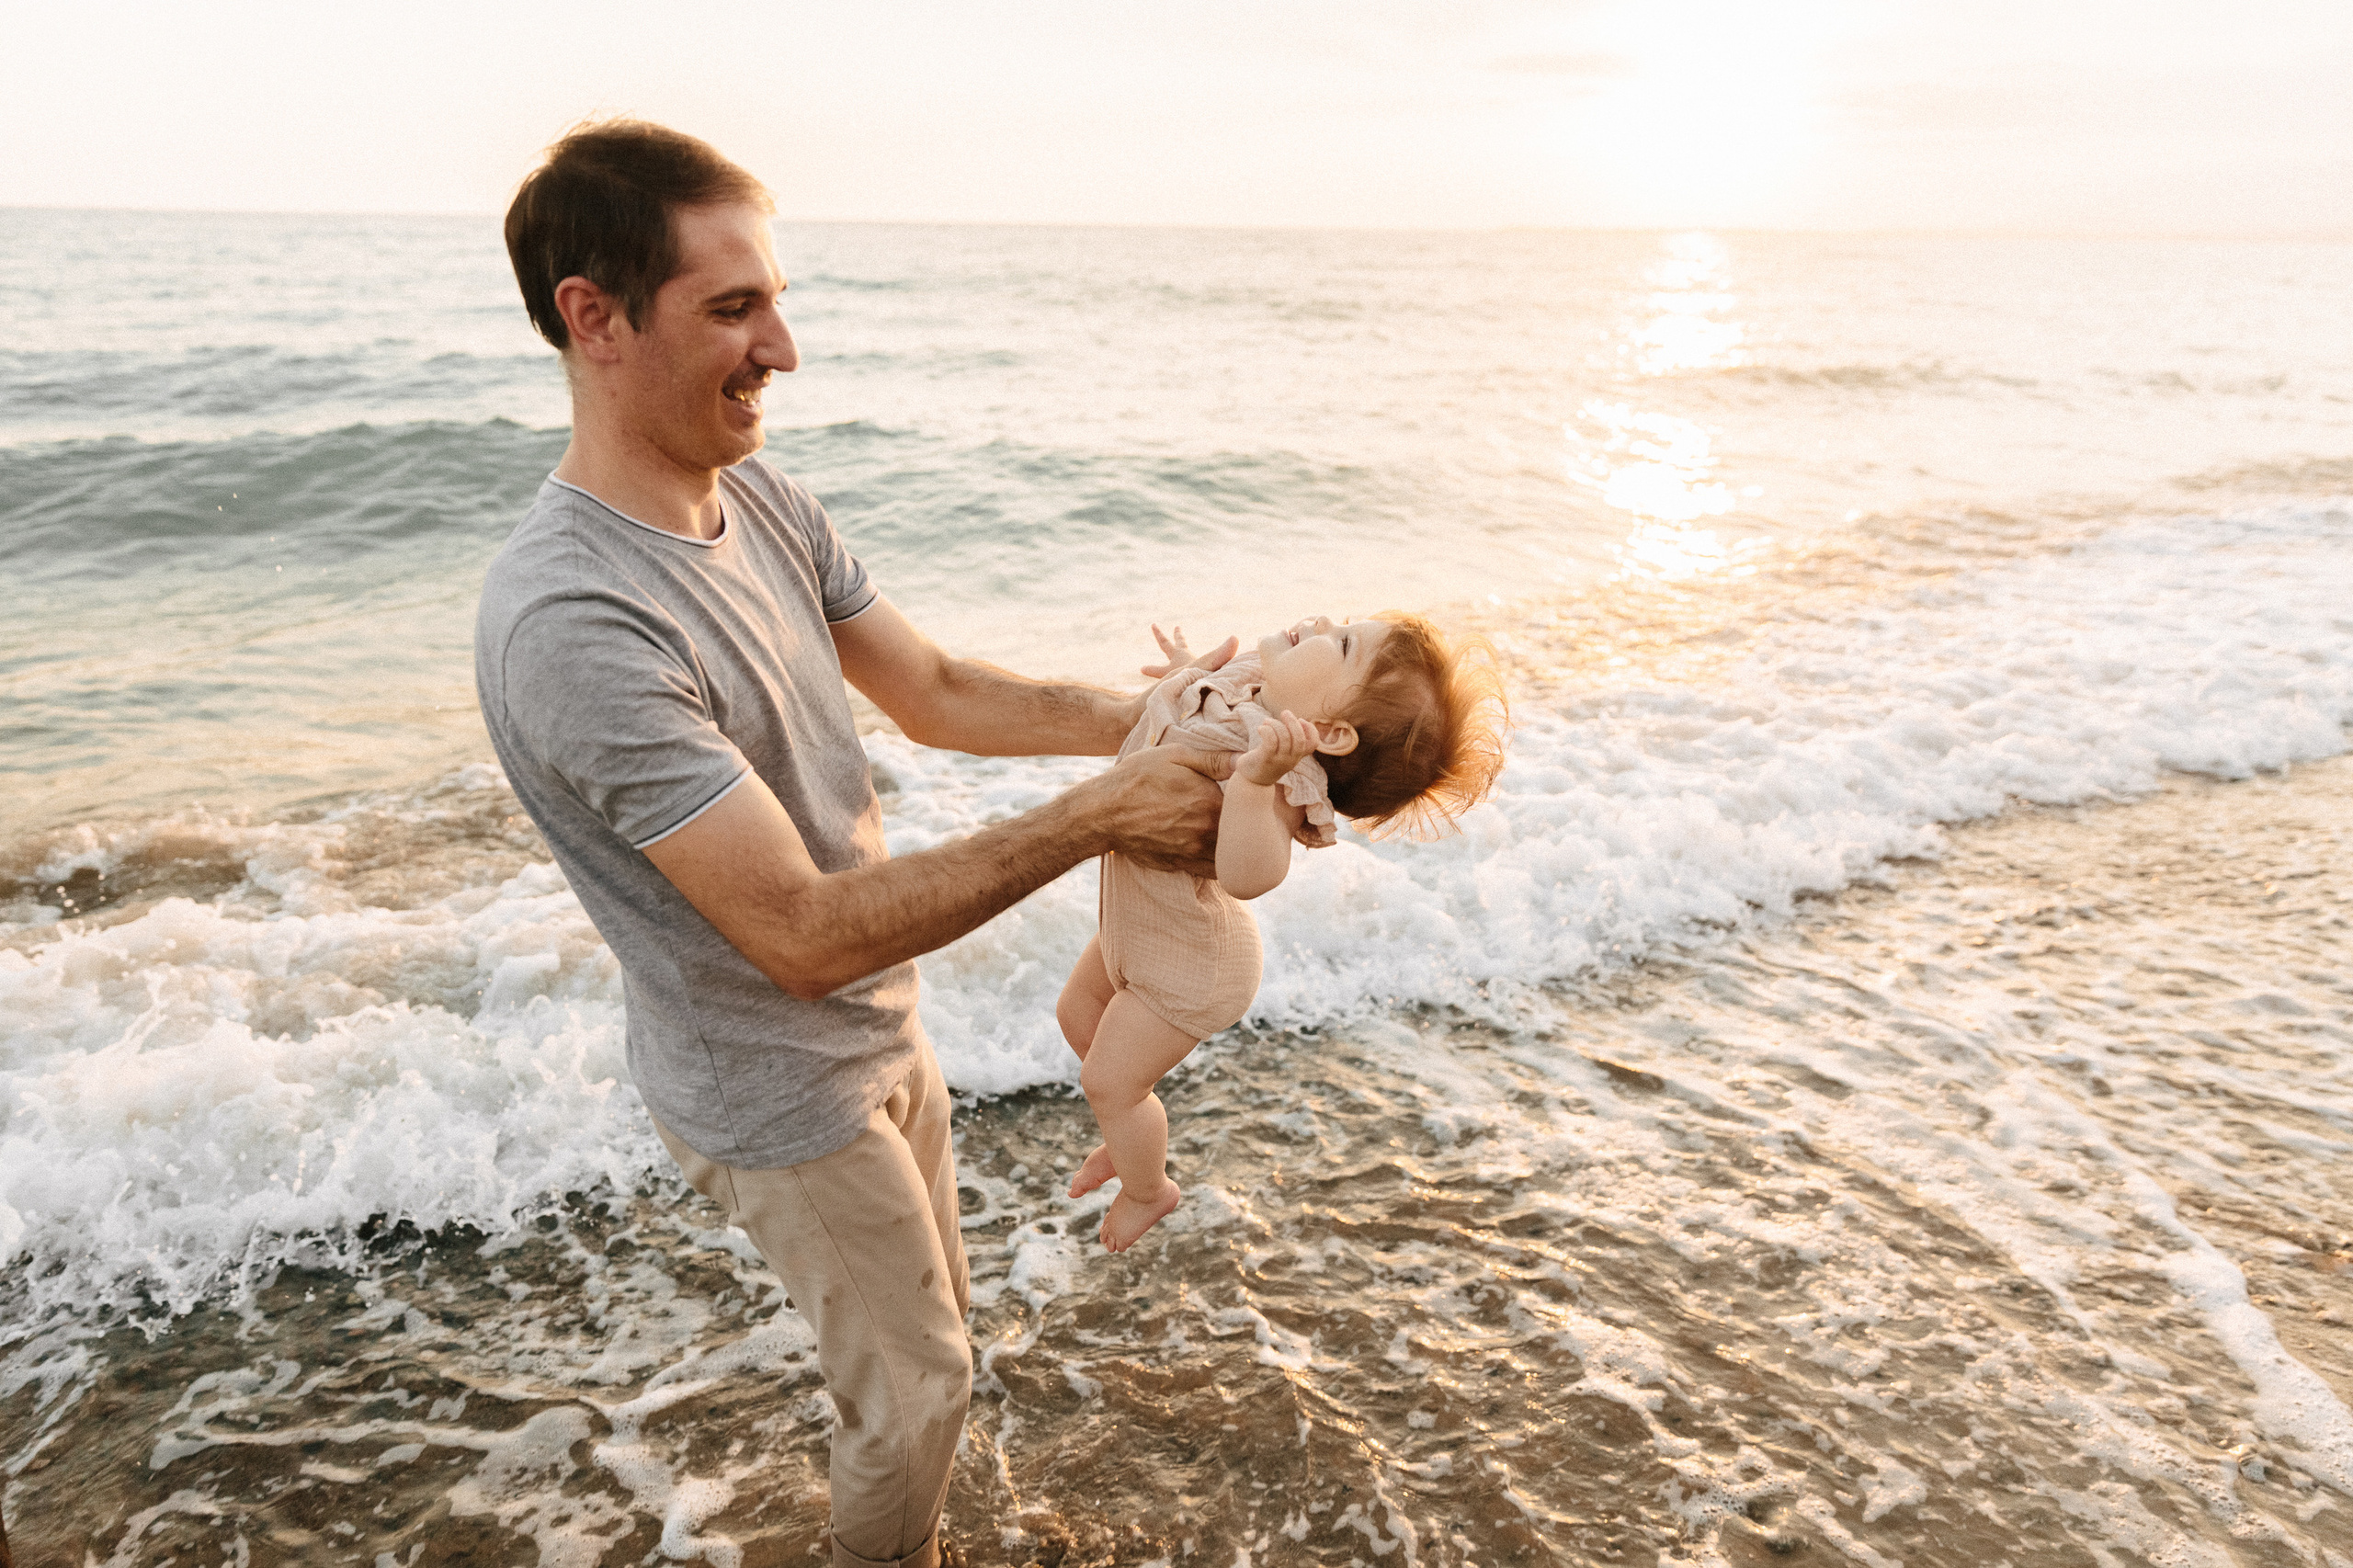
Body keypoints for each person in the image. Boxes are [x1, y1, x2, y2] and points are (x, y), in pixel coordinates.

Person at [474, 119, 1233, 1568]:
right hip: (773, 1085)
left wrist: (1157, 720)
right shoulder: (573, 619)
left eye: (775, 297)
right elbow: (804, 937)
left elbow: (939, 691)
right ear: (593, 317)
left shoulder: (759, 494)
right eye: (734, 309)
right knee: (924, 1384)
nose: (786, 349)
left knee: (929, 1340)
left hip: (888, 1031)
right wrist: (1102, 814)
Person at [1056, 614, 1506, 1251]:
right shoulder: (1247, 691)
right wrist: (1186, 675)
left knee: (1109, 1080)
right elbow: (1185, 717)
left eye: (1343, 642)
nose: (1323, 621)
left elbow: (1250, 875)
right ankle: (1128, 1130)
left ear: (1329, 732)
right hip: (1146, 925)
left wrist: (1253, 784)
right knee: (1078, 1015)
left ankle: (1147, 1188)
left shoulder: (1280, 773)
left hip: (1192, 960)